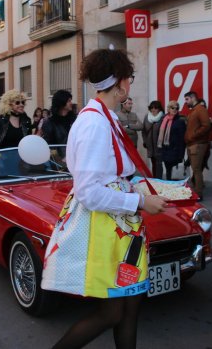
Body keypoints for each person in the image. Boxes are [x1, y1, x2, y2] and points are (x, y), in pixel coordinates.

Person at [42, 48, 168, 349]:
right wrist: (139, 202)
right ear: (121, 83)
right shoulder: (95, 122)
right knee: (113, 312)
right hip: (106, 229)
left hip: (120, 228)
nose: (130, 86)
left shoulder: (103, 116)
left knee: (130, 307)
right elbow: (88, 192)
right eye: (130, 79)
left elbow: (113, 174)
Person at [183, 91, 211, 200]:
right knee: (195, 169)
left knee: (196, 169)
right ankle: (196, 191)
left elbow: (206, 125)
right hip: (193, 143)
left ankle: (198, 193)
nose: (185, 102)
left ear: (192, 98)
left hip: (197, 144)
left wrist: (193, 135)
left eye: (187, 99)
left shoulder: (200, 110)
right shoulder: (195, 110)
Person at [158, 100, 186, 181]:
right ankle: (169, 186)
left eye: (177, 108)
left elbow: (182, 140)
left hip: (174, 150)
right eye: (172, 108)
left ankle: (173, 187)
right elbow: (160, 135)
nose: (175, 110)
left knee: (172, 172)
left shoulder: (180, 121)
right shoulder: (164, 119)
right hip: (165, 149)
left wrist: (181, 154)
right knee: (168, 171)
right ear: (168, 109)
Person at [142, 100, 164, 179]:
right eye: (152, 108)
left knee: (159, 163)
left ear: (159, 109)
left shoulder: (162, 117)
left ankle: (159, 179)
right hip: (150, 145)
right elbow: (144, 131)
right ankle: (155, 179)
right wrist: (145, 141)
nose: (153, 110)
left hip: (159, 146)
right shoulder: (146, 117)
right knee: (153, 163)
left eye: (156, 108)